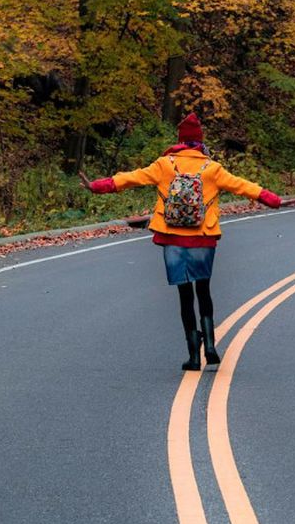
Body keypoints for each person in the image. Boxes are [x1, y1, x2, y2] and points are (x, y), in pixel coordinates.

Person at [79, 113, 283, 371]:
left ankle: (193, 355)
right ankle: (209, 344)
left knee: (185, 296)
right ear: (199, 141)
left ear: (179, 140)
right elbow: (243, 186)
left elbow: (132, 178)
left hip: (173, 237)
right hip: (203, 237)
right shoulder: (212, 168)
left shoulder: (164, 165)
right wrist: (274, 200)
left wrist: (97, 186)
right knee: (204, 290)